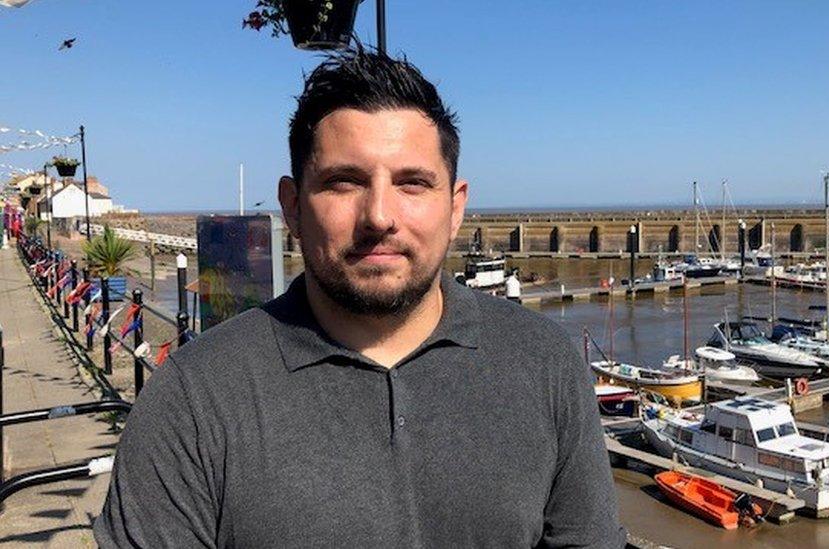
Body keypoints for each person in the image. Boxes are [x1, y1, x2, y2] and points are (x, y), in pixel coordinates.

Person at [94, 49, 626, 548]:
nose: (379, 216)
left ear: (456, 207)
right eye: (344, 182)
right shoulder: (194, 398)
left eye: (413, 183)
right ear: (293, 207)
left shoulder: (544, 363)